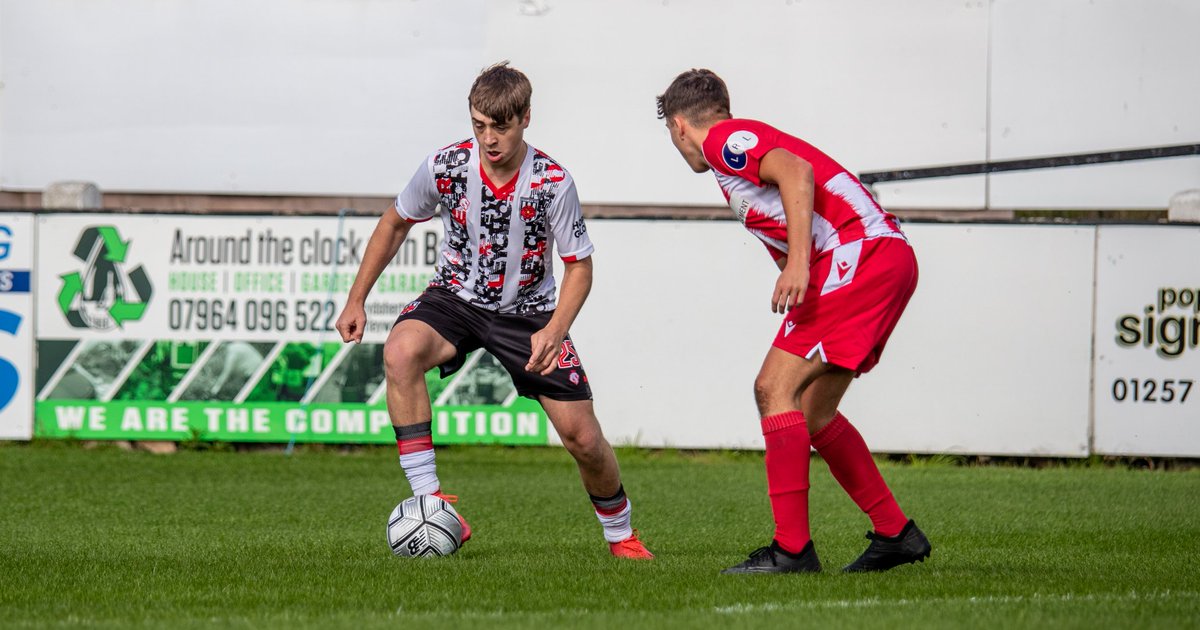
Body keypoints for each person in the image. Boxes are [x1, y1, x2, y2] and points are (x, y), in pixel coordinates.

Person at [336, 62, 653, 559]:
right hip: (454, 300)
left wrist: (556, 328)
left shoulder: (552, 181)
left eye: (501, 126)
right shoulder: (445, 165)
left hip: (528, 315)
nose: (489, 139)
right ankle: (430, 500)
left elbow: (580, 268)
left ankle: (622, 537)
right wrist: (357, 298)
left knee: (583, 439)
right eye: (479, 125)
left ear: (526, 117)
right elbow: (395, 222)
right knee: (399, 352)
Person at [656, 69, 931, 573]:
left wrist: (802, 264)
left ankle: (792, 550)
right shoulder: (731, 163)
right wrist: (795, 263)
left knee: (771, 389)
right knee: (813, 409)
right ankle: (896, 534)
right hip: (877, 257)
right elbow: (791, 210)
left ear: (677, 126)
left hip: (858, 256)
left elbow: (796, 172)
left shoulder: (721, 140)